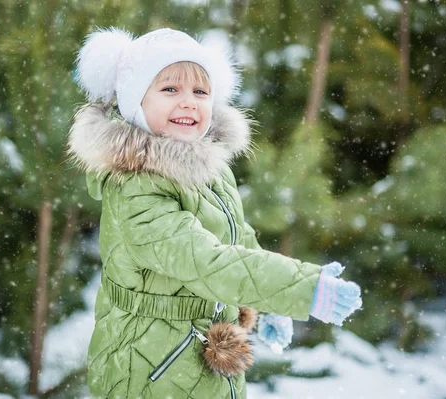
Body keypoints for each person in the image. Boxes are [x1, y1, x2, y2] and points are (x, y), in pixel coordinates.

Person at [67, 27, 362, 399]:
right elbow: (202, 259)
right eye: (170, 89)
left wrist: (266, 304)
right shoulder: (136, 186)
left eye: (200, 91)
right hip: (146, 366)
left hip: (195, 352)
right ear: (134, 103)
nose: (189, 102)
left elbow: (237, 236)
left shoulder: (208, 167)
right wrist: (302, 288)